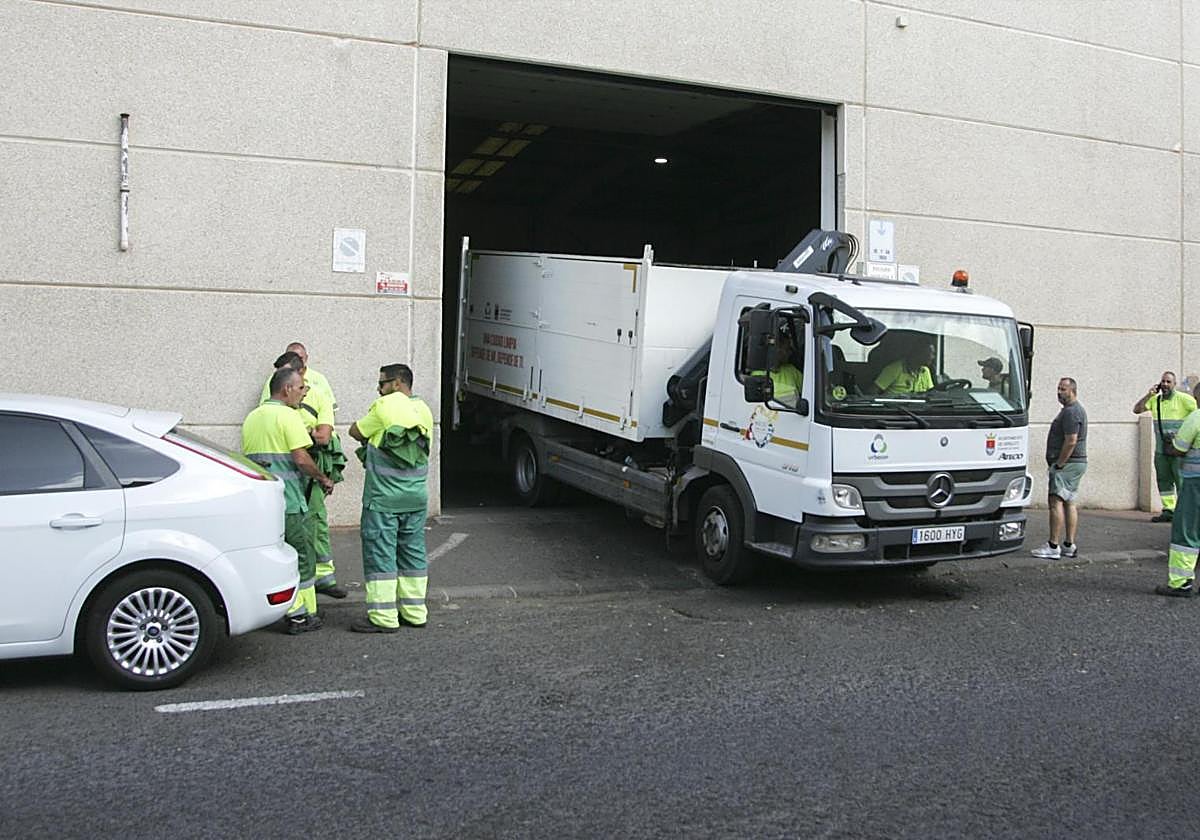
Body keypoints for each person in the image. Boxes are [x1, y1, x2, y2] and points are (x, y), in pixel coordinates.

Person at [242, 367, 334, 634]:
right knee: (301, 557)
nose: (304, 393)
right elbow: (301, 458)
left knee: (274, 557)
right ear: (287, 389)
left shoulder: (253, 417)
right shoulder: (288, 416)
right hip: (289, 502)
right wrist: (322, 478)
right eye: (301, 388)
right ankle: (300, 615)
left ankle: (295, 610)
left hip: (261, 505)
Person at [347, 363, 435, 634]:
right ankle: (415, 613)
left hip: (383, 499)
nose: (378, 388)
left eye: (382, 383)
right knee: (413, 554)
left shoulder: (384, 406)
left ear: (397, 383)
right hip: (416, 498)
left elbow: (356, 431)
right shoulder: (423, 410)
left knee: (381, 556)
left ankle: (383, 617)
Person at [271, 351, 347, 597]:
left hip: (311, 462)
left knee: (316, 521)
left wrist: (301, 434)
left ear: (301, 370)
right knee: (292, 527)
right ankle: (299, 583)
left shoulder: (319, 391)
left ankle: (323, 576)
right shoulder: (274, 388)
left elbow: (323, 436)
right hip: (290, 465)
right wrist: (305, 432)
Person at [1031, 378, 1088, 559]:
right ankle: (1069, 545)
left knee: (1055, 502)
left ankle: (1053, 545)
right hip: (1076, 463)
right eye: (1058, 388)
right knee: (1070, 502)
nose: (1059, 392)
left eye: (1063, 389)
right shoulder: (1072, 410)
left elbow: (1071, 440)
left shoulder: (1071, 412)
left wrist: (1060, 463)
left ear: (1073, 391)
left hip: (1068, 464)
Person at [1133, 371, 1197, 523]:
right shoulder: (1155, 400)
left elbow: (1197, 415)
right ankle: (1169, 510)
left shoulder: (1184, 399)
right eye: (1163, 381)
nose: (1165, 384)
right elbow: (1137, 410)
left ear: (1174, 384)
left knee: (1181, 481)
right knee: (1164, 481)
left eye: (1169, 382)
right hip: (1161, 451)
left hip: (1178, 451)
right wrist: (1149, 395)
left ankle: (1184, 512)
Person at [1155, 380, 1200, 596]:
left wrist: (1171, 447)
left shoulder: (1196, 418)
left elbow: (1180, 448)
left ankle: (1181, 582)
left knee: (1186, 532)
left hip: (1195, 483)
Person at [260, 342, 337, 411]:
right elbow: (265, 407)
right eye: (291, 357)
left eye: (300, 358)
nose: (295, 361)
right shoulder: (275, 379)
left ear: (306, 358)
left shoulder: (319, 378)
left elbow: (331, 408)